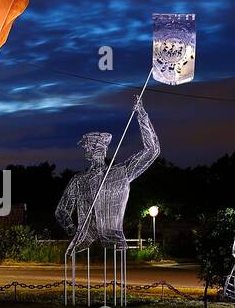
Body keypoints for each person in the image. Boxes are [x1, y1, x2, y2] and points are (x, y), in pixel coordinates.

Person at [55, 97, 160, 254]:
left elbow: (152, 150)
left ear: (99, 149)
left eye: (88, 147)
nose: (86, 150)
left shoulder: (120, 173)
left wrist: (141, 115)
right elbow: (62, 210)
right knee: (72, 259)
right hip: (83, 242)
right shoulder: (79, 180)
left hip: (114, 241)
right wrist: (72, 229)